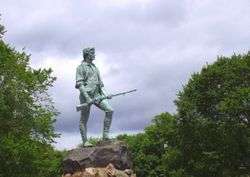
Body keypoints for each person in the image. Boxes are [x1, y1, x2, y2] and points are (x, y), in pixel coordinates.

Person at [75, 47, 113, 146]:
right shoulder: (80, 67)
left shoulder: (95, 67)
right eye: (92, 53)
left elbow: (101, 84)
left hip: (98, 95)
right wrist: (87, 98)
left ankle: (105, 135)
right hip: (86, 96)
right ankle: (85, 141)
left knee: (109, 110)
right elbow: (80, 84)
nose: (94, 55)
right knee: (84, 119)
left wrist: (106, 94)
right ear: (87, 54)